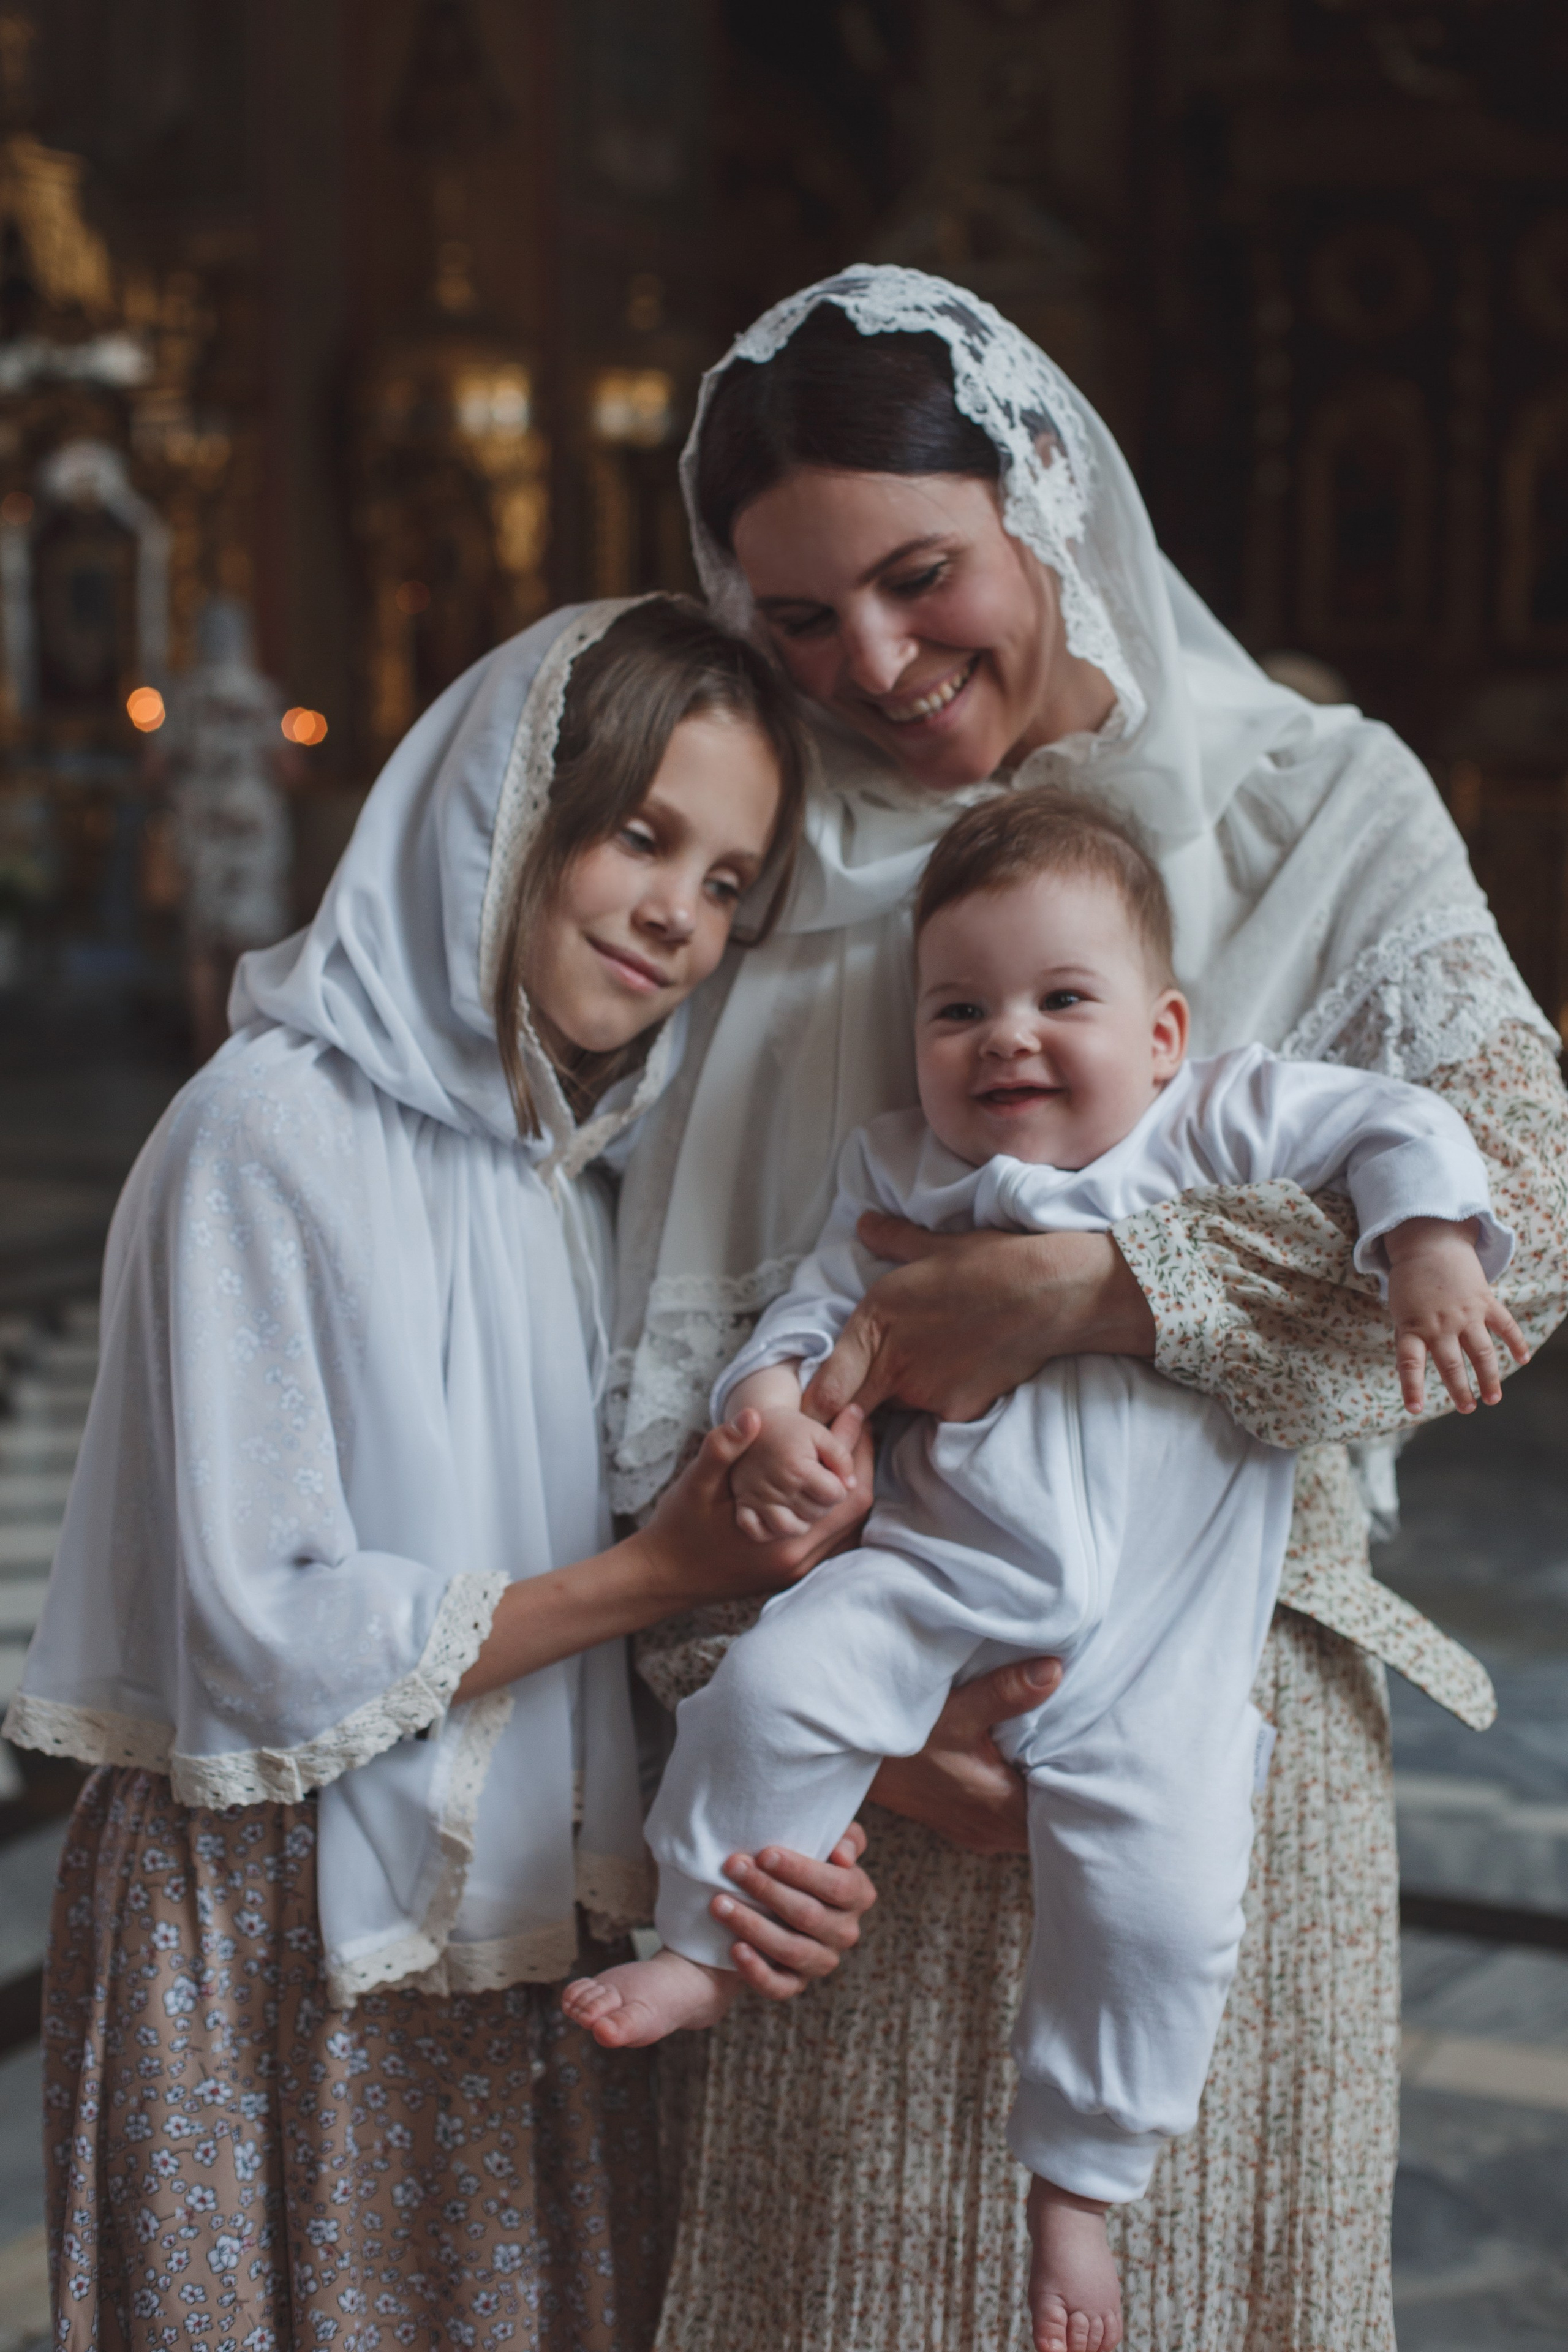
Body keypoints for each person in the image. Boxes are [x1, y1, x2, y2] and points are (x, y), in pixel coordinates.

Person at [605, 271, 1568, 2350]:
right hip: (853, 1772)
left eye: (920, 574)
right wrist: (810, 1713)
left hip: (1213, 1730)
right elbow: (654, 1386)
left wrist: (1096, 1290)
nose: (869, 663)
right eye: (797, 621)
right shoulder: (765, 866)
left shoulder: (1318, 804)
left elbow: (1533, 1210)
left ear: (1043, 498)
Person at [6, 596, 877, 2352]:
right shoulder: (268, 1130)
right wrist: (666, 1569)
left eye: (727, 882)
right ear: (503, 814)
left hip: (516, 1913)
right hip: (275, 1930)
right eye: (644, 838)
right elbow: (263, 1623)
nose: (678, 922)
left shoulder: (569, 1165)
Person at [573, 788, 1521, 2350]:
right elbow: (813, 1315)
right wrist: (765, 1398)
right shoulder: (896, 1172)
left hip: (1157, 1652)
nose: (1002, 1037)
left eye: (1056, 1001)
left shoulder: (1210, 1124)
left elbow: (1388, 1122)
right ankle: (698, 1945)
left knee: (1161, 1909)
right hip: (930, 1591)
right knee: (770, 1689)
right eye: (957, 1009)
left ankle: (1076, 2185)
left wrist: (1422, 1239)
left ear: (1159, 1032)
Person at [156, 596, 296, 1064]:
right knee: (250, 941)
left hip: (201, 827)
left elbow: (154, 765)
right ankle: (244, 1049)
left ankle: (204, 1049)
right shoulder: (259, 694)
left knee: (203, 945)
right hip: (251, 827)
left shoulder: (182, 695)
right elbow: (288, 766)